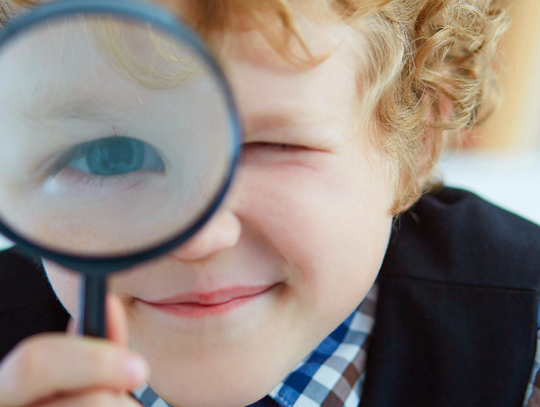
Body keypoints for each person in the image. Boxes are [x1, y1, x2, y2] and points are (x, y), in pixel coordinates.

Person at [1, 0, 539, 406]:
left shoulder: (526, 349)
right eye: (110, 156)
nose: (196, 236)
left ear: (417, 139)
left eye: (268, 146)